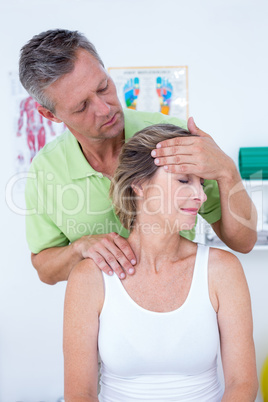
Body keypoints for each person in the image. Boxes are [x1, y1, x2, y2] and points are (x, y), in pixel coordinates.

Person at [19, 29, 257, 285]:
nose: (104, 108)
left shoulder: (172, 140)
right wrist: (79, 248)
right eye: (82, 106)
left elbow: (243, 242)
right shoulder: (46, 170)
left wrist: (227, 171)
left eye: (103, 87)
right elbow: (45, 269)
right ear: (51, 115)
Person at [63, 124, 258, 401]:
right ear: (140, 186)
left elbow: (242, 384)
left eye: (201, 183)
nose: (201, 196)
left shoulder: (222, 271)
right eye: (183, 181)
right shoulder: (90, 278)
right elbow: (79, 393)